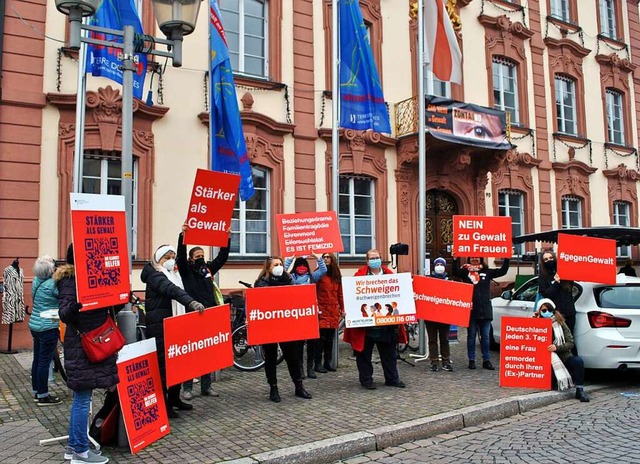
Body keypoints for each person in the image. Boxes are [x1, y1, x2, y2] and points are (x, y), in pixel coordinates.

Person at [55, 244, 115, 464]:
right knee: (82, 398)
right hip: (82, 345)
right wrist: (80, 304)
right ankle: (80, 451)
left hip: (91, 341)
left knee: (82, 397)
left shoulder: (93, 276)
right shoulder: (70, 280)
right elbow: (65, 312)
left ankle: (73, 447)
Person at [142, 244, 204, 418]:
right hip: (160, 325)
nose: (170, 261)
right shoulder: (156, 276)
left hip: (175, 323)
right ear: (158, 259)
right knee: (162, 367)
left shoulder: (174, 275)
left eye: (172, 257)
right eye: (166, 257)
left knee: (178, 364)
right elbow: (171, 290)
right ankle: (164, 404)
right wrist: (191, 303)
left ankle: (174, 398)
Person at [176, 223, 229, 400]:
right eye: (197, 256)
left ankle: (206, 386)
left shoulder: (207, 269)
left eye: (202, 255)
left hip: (210, 314)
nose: (200, 258)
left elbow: (222, 258)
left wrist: (226, 239)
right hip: (193, 314)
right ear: (192, 258)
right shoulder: (186, 271)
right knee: (192, 353)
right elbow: (181, 258)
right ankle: (187, 388)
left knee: (207, 352)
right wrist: (182, 237)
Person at [343, 249, 406, 390]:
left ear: (381, 259)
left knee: (389, 354)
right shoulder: (358, 276)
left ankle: (392, 379)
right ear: (367, 261)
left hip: (386, 324)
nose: (374, 260)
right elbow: (351, 296)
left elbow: (399, 294)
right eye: (372, 258)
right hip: (366, 325)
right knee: (364, 354)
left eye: (377, 257)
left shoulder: (390, 275)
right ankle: (366, 380)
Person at [254, 256, 312, 402]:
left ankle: (299, 386)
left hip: (287, 326)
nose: (279, 267)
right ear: (268, 268)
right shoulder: (261, 283)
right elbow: (258, 304)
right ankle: (273, 388)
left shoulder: (289, 280)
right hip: (269, 326)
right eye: (275, 265)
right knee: (271, 358)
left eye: (280, 264)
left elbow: (296, 300)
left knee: (292, 357)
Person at [453, 254, 510, 370]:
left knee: (485, 337)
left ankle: (486, 360)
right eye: (472, 257)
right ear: (469, 259)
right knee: (471, 336)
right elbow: (455, 272)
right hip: (471, 310)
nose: (474, 259)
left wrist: (507, 258)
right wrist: (454, 259)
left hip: (485, 310)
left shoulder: (487, 271)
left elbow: (503, 271)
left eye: (477, 257)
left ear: (481, 259)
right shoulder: (465, 271)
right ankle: (472, 360)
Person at [534, 299, 590, 402]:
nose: (547, 312)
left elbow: (570, 342)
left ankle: (579, 390)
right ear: (539, 311)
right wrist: (535, 321)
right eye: (544, 310)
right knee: (551, 381)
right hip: (545, 360)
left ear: (553, 310)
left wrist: (557, 348)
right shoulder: (536, 322)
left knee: (578, 361)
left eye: (549, 310)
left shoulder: (560, 323)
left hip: (563, 356)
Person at [284, 253, 327, 379]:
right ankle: (300, 368)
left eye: (304, 265)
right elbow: (283, 271)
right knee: (298, 344)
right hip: (297, 313)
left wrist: (318, 258)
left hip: (311, 312)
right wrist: (290, 258)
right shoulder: (291, 277)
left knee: (312, 343)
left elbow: (323, 270)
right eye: (299, 265)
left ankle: (310, 367)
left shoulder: (312, 277)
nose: (302, 267)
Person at [30, 255, 62, 405]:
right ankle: (43, 395)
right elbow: (63, 297)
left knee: (37, 359)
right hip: (48, 326)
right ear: (50, 270)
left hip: (35, 325)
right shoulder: (53, 285)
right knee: (44, 361)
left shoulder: (36, 281)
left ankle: (36, 391)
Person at [315, 253, 343, 373]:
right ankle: (317, 363)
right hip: (322, 309)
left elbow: (340, 294)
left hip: (333, 310)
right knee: (321, 338)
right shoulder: (319, 274)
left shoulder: (336, 275)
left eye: (328, 257)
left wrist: (342, 308)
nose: (326, 259)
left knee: (330, 338)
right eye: (324, 257)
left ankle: (327, 362)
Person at [537, 249, 576, 334]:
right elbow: (548, 295)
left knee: (569, 339)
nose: (549, 261)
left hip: (569, 313)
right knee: (558, 340)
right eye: (546, 259)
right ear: (543, 262)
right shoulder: (543, 277)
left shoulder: (564, 272)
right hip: (555, 314)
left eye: (551, 258)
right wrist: (556, 283)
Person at [425, 257, 453, 372]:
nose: (439, 266)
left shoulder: (450, 281)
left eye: (442, 264)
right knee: (432, 340)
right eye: (437, 264)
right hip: (431, 316)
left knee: (444, 339)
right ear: (434, 266)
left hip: (445, 316)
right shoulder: (427, 281)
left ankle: (446, 361)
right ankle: (434, 362)